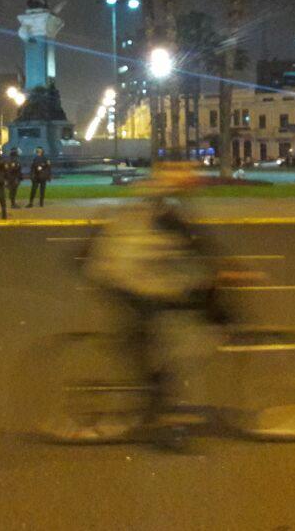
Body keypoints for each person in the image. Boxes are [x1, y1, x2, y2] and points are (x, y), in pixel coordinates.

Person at [81, 161, 228, 448]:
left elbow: (194, 242)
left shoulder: (162, 202)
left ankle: (153, 395)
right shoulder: (163, 207)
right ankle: (158, 413)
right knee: (157, 337)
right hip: (124, 277)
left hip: (132, 271)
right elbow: (194, 245)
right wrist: (222, 270)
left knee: (168, 320)